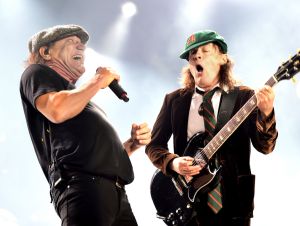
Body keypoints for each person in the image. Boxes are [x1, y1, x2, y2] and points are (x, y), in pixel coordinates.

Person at [20, 24, 151, 226]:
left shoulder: (82, 102)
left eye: (82, 44)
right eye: (71, 42)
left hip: (115, 194)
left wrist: (132, 144)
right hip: (83, 186)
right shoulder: (37, 73)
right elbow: (56, 110)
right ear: (46, 52)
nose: (81, 47)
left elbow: (97, 155)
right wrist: (98, 80)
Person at [146, 30, 278, 226]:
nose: (196, 56)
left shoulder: (244, 97)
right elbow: (153, 146)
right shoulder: (174, 100)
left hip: (234, 202)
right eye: (192, 55)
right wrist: (173, 163)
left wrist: (266, 113)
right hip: (188, 203)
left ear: (222, 58)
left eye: (205, 51)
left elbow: (265, 147)